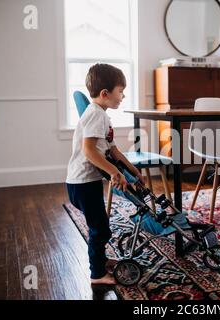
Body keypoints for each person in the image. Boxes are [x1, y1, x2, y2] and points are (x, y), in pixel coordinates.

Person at [66, 63, 145, 285]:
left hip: (86, 183)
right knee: (99, 228)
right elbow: (89, 150)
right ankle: (97, 274)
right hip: (82, 184)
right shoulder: (95, 115)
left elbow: (113, 150)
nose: (123, 96)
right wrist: (113, 173)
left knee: (101, 225)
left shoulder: (103, 116)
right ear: (105, 93)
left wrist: (131, 169)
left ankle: (99, 261)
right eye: (121, 91)